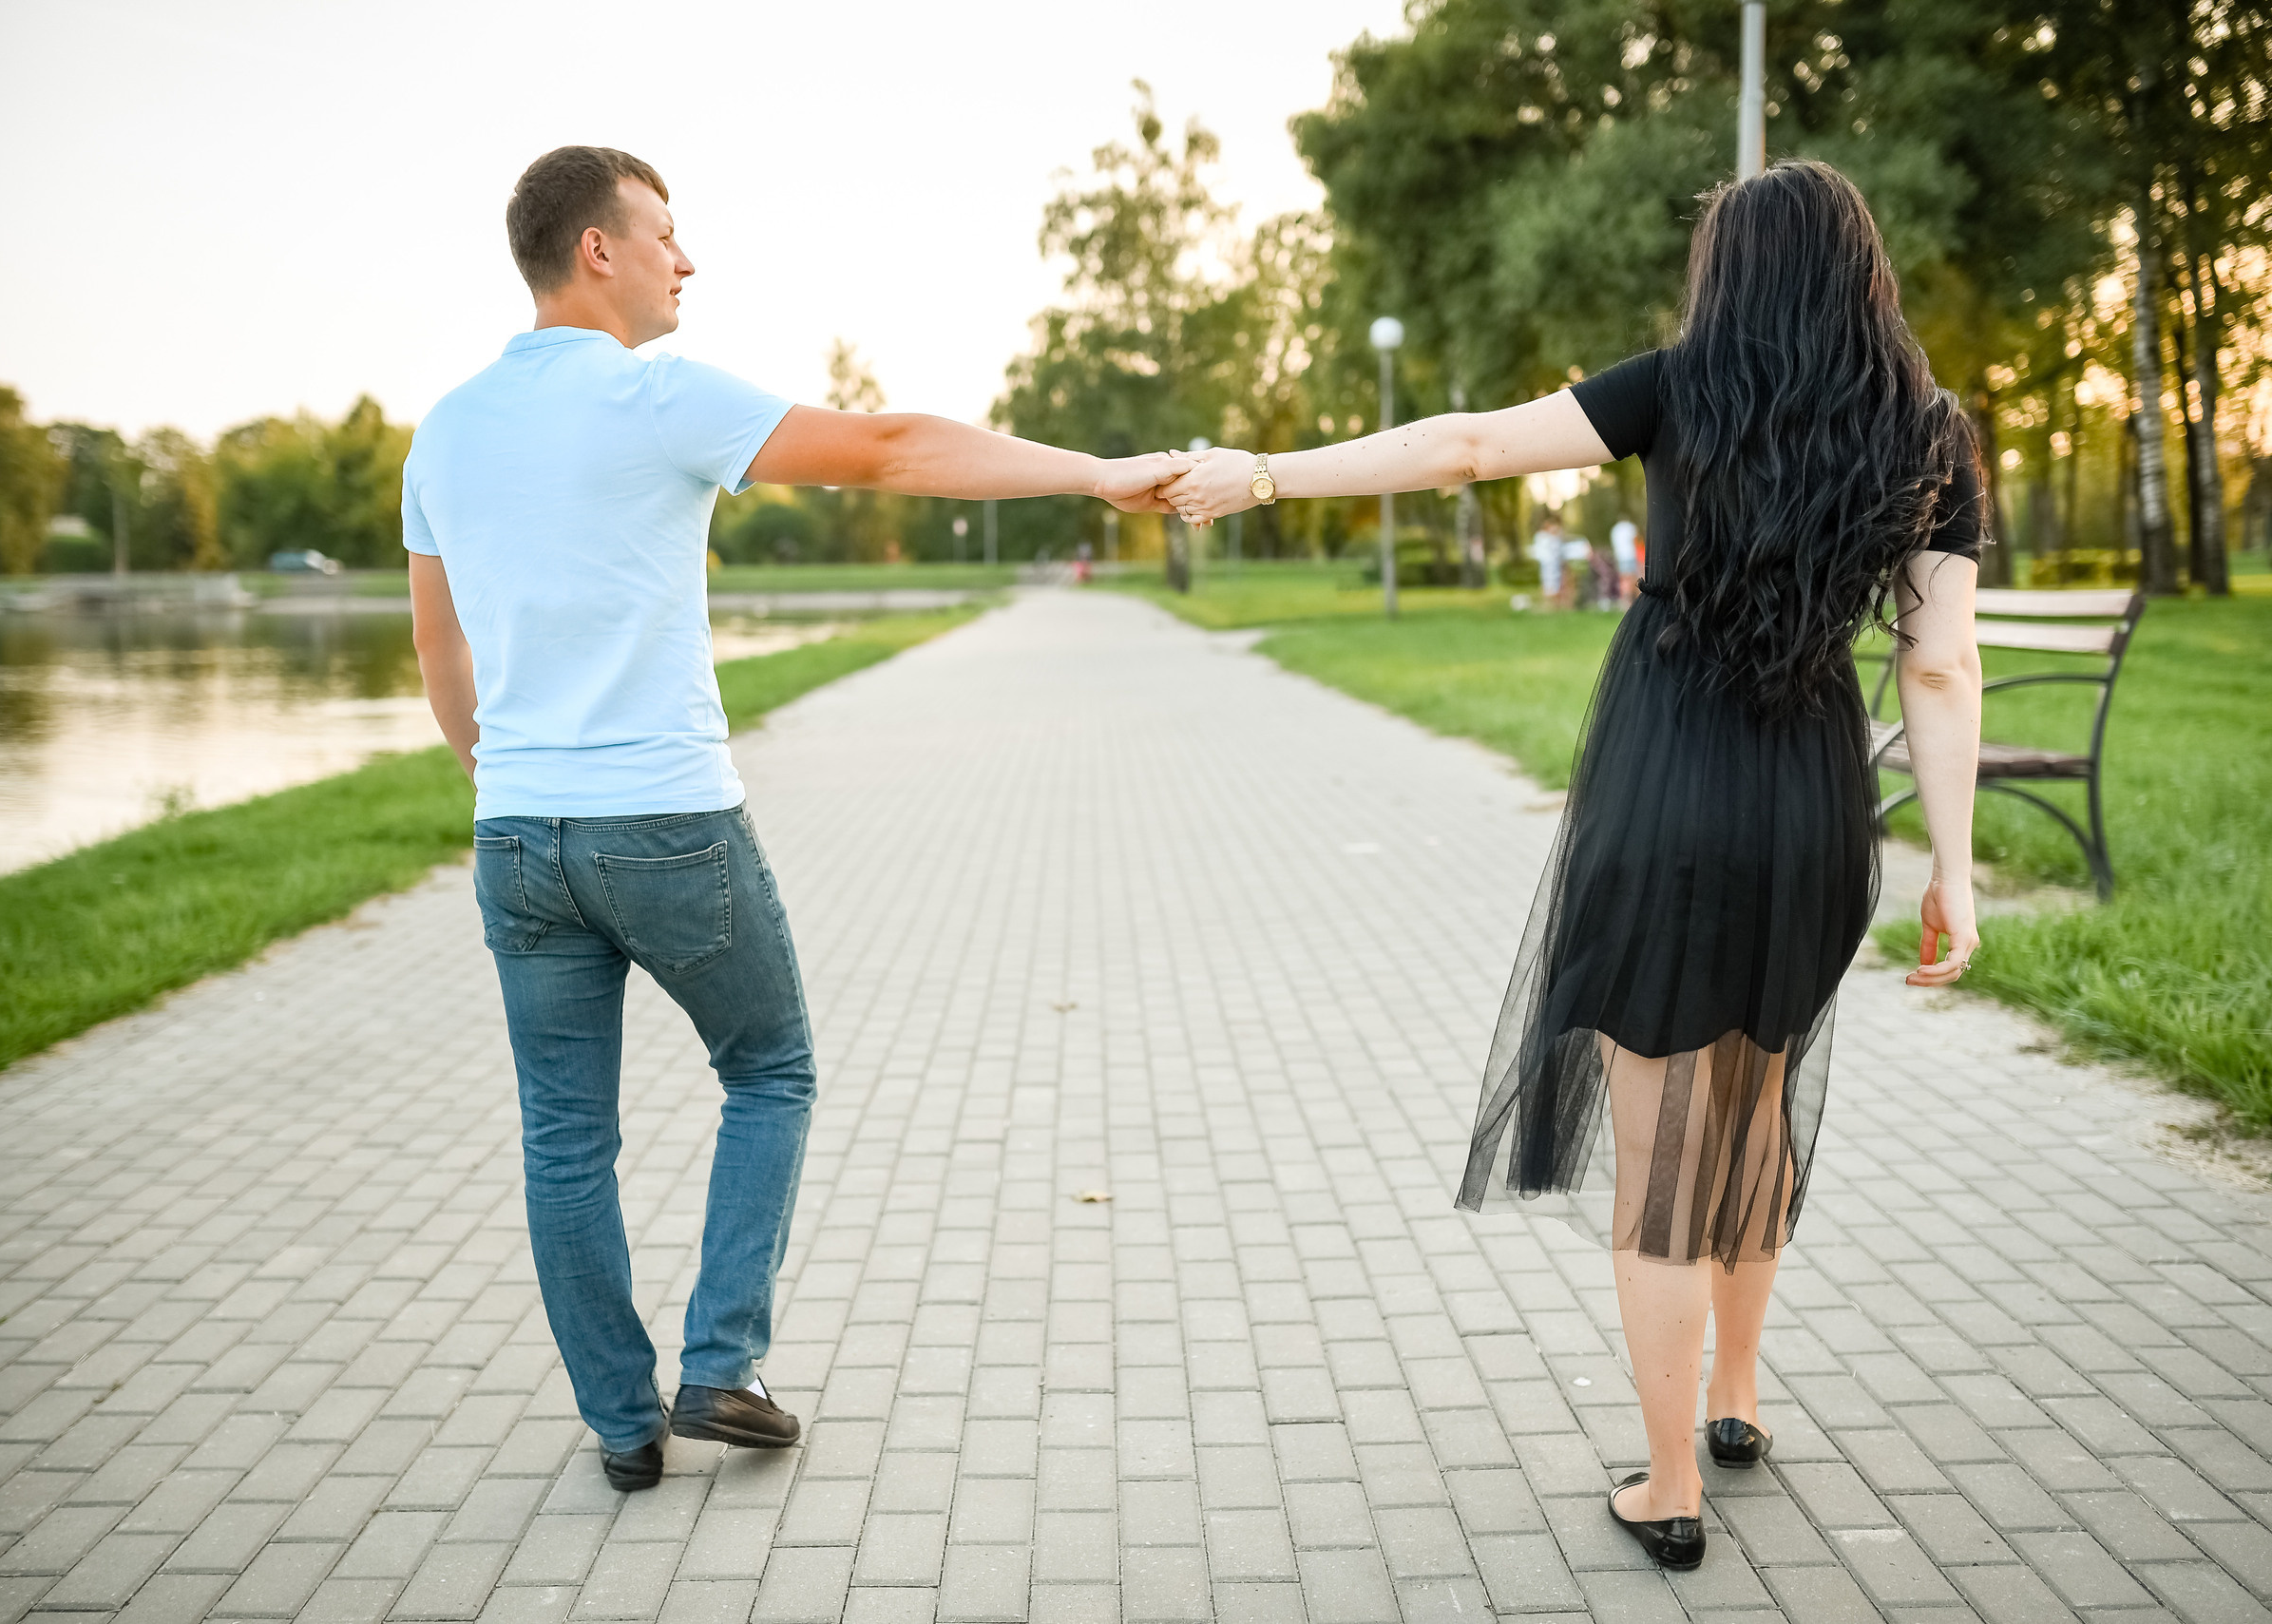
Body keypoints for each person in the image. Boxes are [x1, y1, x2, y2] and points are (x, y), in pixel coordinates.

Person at [1157, 158, 1983, 1570]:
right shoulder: (1928, 432)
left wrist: (1273, 473)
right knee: (1761, 1104)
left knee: (1662, 1151)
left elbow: (1469, 445)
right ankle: (1737, 1401)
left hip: (1666, 783)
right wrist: (1953, 870)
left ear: (1730, 274)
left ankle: (1669, 1485)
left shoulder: (1677, 386)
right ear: (1864, 273)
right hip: (1807, 803)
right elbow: (1943, 663)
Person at [406, 146, 1184, 1494]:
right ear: (597, 248)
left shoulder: (444, 432)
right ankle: (721, 1361)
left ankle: (619, 1423)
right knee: (770, 1070)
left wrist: (513, 779)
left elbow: (441, 668)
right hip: (666, 822)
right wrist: (1096, 474)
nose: (685, 260)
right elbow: (890, 448)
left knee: (562, 1139)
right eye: (665, 233)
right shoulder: (657, 395)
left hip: (518, 836)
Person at [1529, 515, 1568, 608]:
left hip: (1552, 563)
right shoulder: (1542, 536)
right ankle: (1550, 601)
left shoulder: (1550, 537)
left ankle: (1555, 601)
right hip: (1548, 563)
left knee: (1553, 581)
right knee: (1549, 581)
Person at [1611, 513, 1644, 604]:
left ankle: (1625, 601)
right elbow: (1636, 542)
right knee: (1634, 578)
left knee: (1624, 579)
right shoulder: (1630, 527)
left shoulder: (1615, 529)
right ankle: (1636, 600)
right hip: (1631, 556)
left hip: (1620, 557)